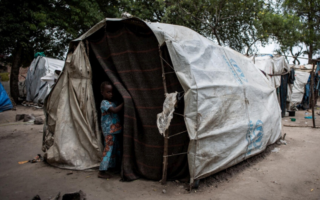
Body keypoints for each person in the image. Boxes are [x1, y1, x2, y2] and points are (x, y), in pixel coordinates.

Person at [98, 81, 124, 179]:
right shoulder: (104, 103)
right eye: (108, 92)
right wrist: (125, 102)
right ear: (102, 92)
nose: (111, 94)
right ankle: (102, 171)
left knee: (115, 150)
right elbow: (115, 110)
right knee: (108, 150)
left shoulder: (112, 102)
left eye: (111, 92)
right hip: (109, 131)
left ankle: (112, 167)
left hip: (115, 131)